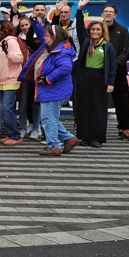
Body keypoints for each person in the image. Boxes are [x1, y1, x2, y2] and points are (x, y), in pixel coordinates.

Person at [19, 22, 78, 157]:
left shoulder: (61, 51)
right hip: (51, 90)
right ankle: (70, 139)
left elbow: (65, 68)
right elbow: (41, 33)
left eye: (47, 36)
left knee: (48, 119)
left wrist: (48, 79)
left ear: (55, 37)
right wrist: (35, 21)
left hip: (54, 90)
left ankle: (54, 146)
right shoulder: (53, 47)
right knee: (51, 119)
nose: (44, 38)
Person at [74, 21, 117, 148]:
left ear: (102, 31)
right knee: (84, 108)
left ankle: (96, 138)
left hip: (100, 80)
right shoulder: (86, 43)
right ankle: (84, 137)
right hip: (85, 80)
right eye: (93, 29)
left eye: (98, 29)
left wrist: (110, 83)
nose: (95, 32)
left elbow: (113, 67)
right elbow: (79, 28)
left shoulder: (107, 46)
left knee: (98, 109)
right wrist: (80, 10)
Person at [0, 21, 27, 146]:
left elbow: (19, 58)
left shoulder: (11, 41)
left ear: (7, 30)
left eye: (1, 29)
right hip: (1, 80)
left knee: (7, 109)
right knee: (6, 109)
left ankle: (16, 137)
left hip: (11, 79)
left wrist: (7, 53)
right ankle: (11, 134)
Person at [101, 4, 129, 141]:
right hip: (100, 71)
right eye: (106, 11)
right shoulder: (97, 29)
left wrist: (114, 66)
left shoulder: (123, 30)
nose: (108, 14)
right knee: (98, 102)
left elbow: (126, 52)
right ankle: (97, 129)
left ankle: (124, 128)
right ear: (102, 14)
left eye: (111, 12)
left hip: (118, 72)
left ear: (115, 15)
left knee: (122, 101)